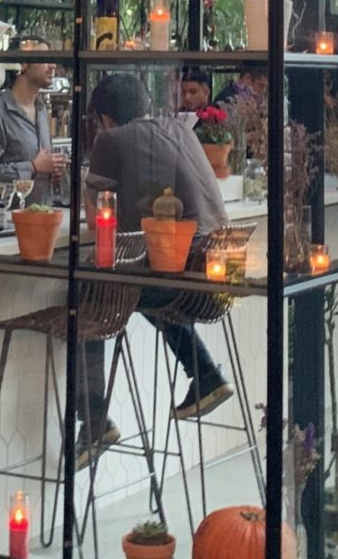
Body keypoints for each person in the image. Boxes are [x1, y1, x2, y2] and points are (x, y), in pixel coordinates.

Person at [78, 73, 233, 462]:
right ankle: (206, 373)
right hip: (217, 280)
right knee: (151, 275)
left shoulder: (110, 140)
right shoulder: (183, 131)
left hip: (177, 281)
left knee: (88, 292)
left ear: (104, 118)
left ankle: (94, 420)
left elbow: (97, 220)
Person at [0, 34, 65, 202]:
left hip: (43, 212)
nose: (52, 66)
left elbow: (42, 168)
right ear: (23, 64)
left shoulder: (41, 110)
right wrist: (32, 167)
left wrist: (53, 172)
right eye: (44, 59)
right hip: (9, 216)